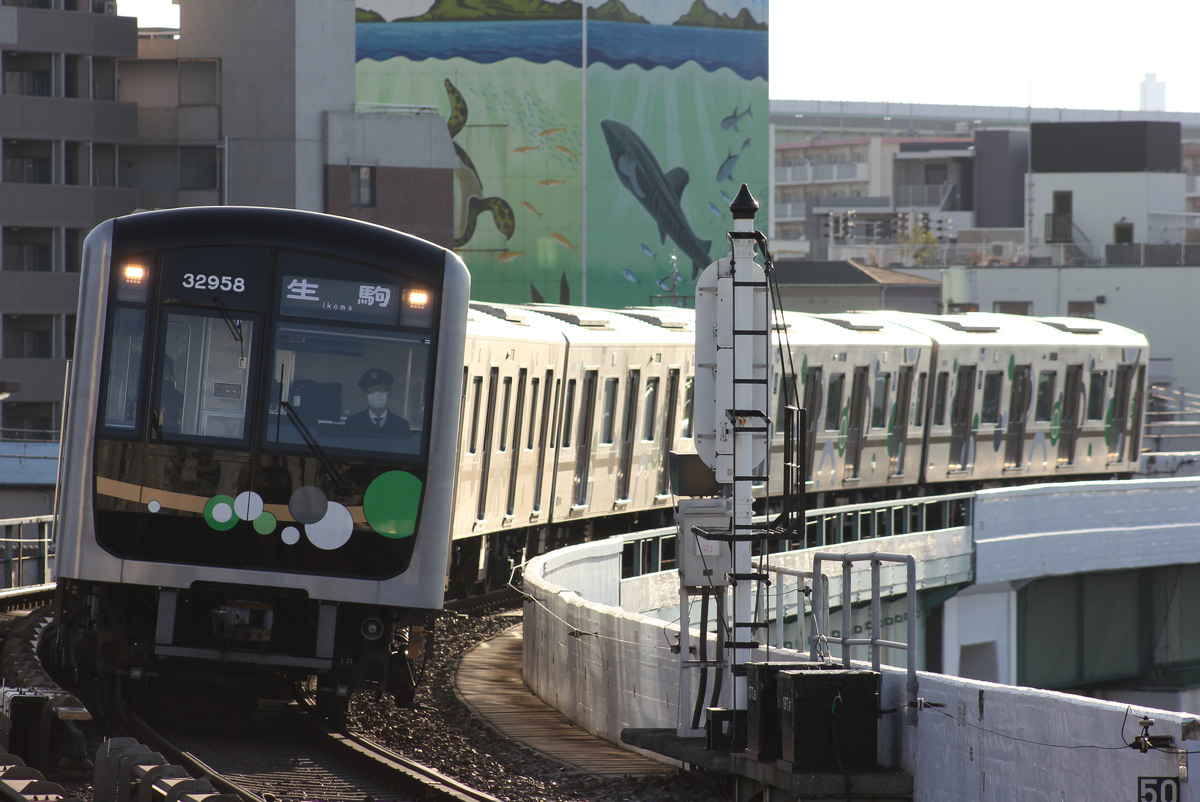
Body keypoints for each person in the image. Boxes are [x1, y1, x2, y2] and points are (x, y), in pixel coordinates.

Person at [344, 368, 410, 436]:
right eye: (371, 390)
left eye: (382, 389)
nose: (377, 393)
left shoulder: (401, 425)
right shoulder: (353, 422)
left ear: (389, 395)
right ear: (365, 396)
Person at [160, 355, 183, 433]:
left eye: (165, 369)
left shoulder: (178, 398)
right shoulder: (143, 397)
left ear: (171, 373)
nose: (163, 373)